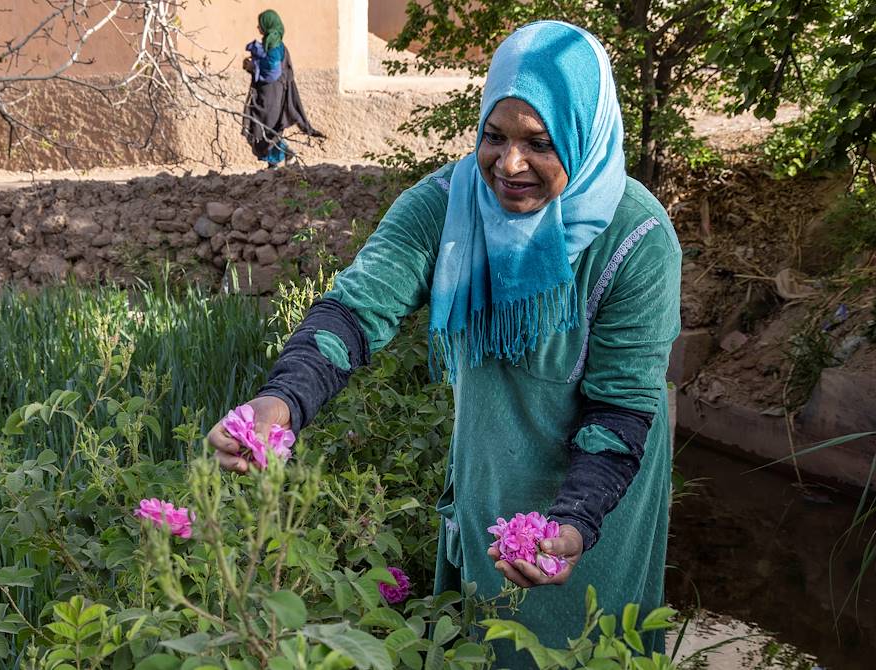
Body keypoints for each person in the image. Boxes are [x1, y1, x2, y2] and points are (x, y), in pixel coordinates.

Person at [210, 20, 681, 666]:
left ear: (583, 135)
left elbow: (620, 411)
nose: (508, 165)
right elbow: (355, 309)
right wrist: (283, 401)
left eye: (539, 143)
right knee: (479, 644)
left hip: (602, 508)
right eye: (494, 135)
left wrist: (572, 524)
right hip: (488, 479)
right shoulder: (449, 206)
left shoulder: (638, 240)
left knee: (587, 650)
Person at [241, 9, 326, 168]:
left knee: (266, 125)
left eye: (260, 24)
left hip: (271, 94)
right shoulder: (270, 42)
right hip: (267, 92)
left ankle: (280, 158)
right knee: (264, 126)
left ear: (268, 25)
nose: (258, 27)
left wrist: (254, 66)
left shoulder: (274, 44)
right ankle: (279, 158)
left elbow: (273, 71)